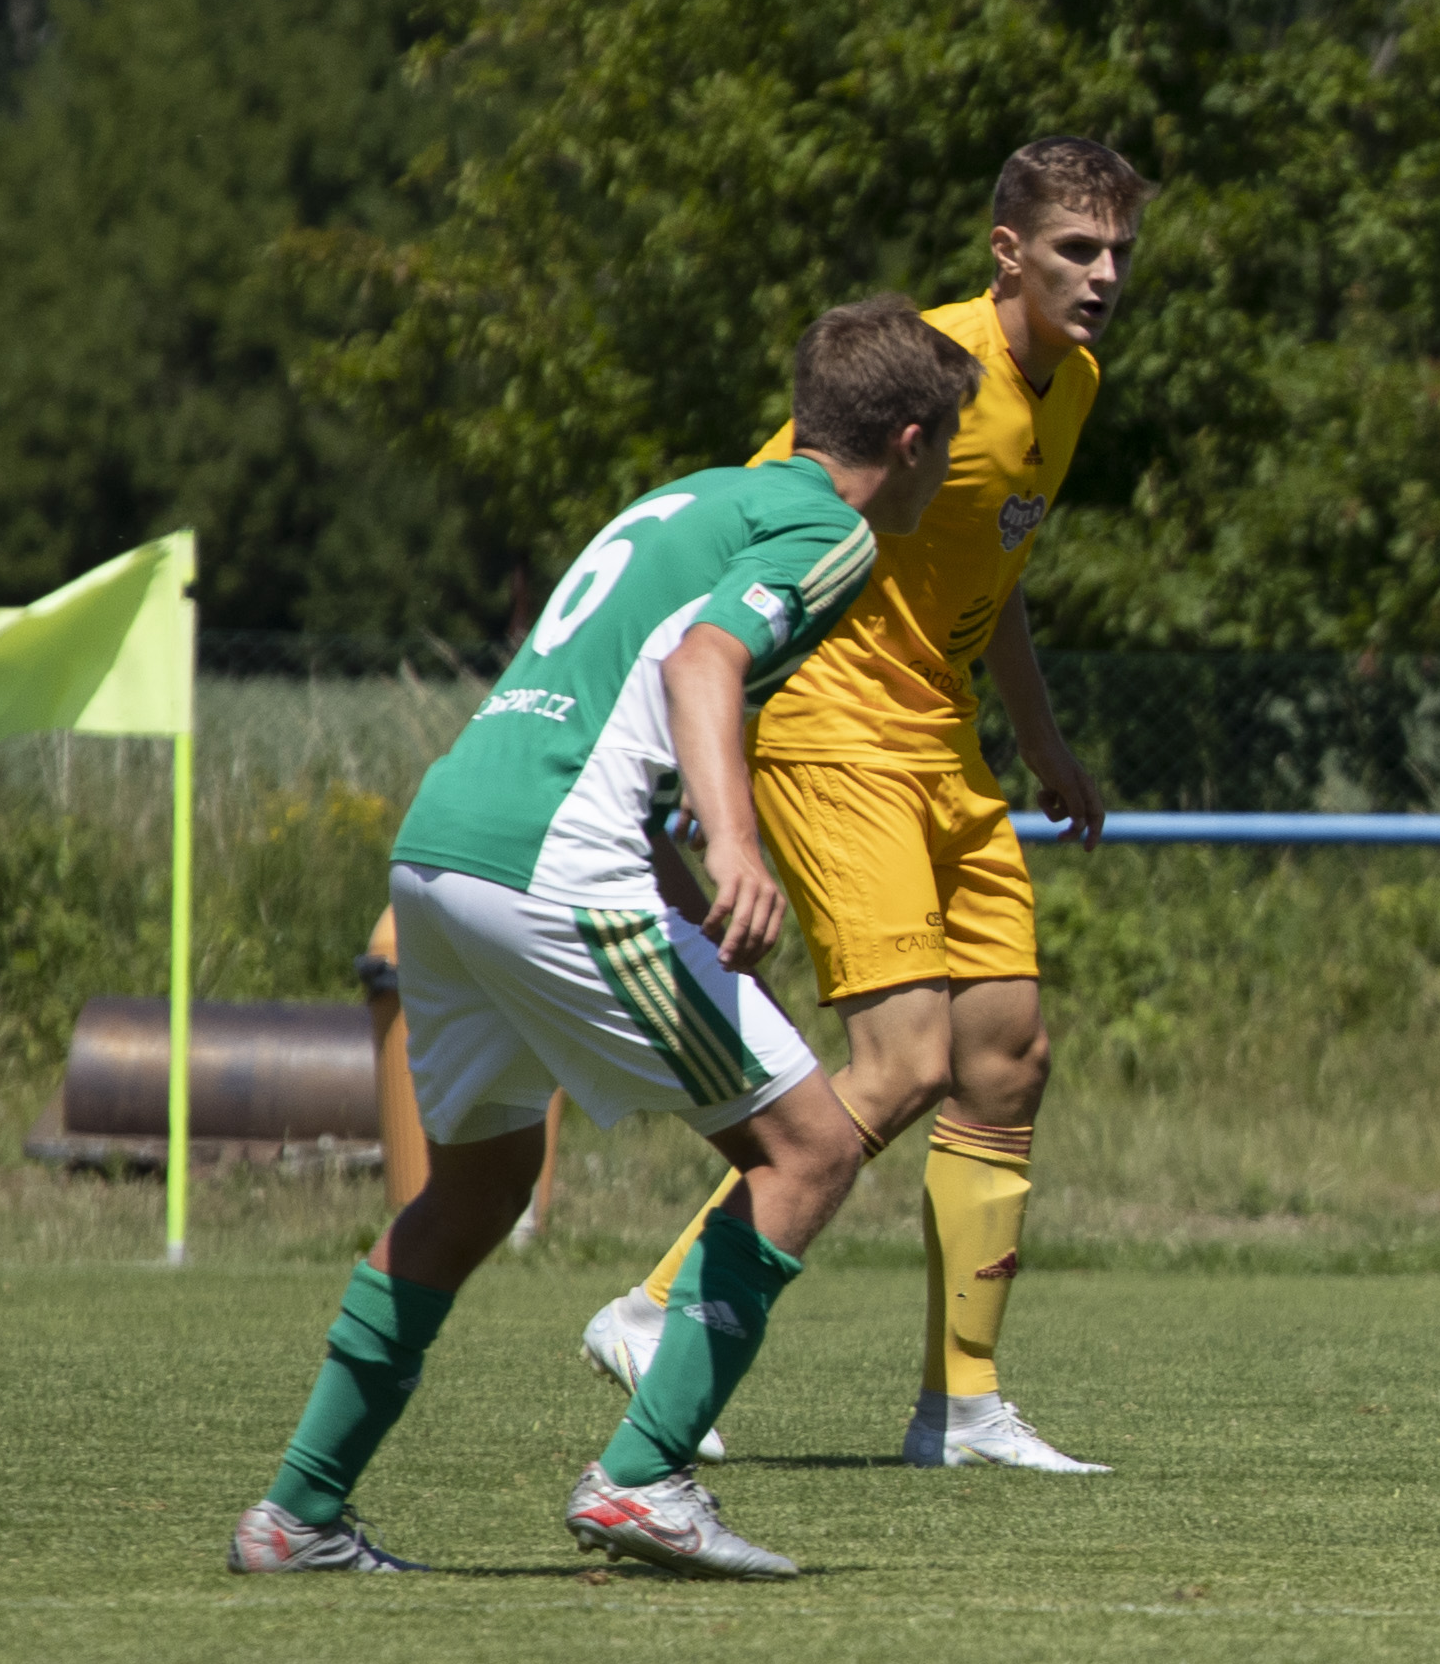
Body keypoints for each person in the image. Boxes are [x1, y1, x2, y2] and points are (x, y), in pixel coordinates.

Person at [226, 299, 980, 1578]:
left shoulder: (687, 502)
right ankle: (643, 1477)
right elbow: (700, 669)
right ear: (909, 441)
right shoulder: (834, 533)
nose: (949, 469)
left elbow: (604, 715)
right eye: (948, 447)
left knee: (472, 1192)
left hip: (442, 849)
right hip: (554, 867)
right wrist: (737, 850)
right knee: (804, 1148)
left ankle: (296, 1513)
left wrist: (686, 885)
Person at [584, 136, 1140, 1474]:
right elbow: (763, 502)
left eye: (1119, 250)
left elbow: (992, 577)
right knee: (905, 1066)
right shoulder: (927, 372)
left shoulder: (1074, 387)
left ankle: (959, 1406)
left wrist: (1043, 739)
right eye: (1078, 248)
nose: (1106, 274)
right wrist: (676, 732)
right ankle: (654, 1306)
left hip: (945, 744)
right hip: (831, 729)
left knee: (1007, 1052)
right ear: (1008, 251)